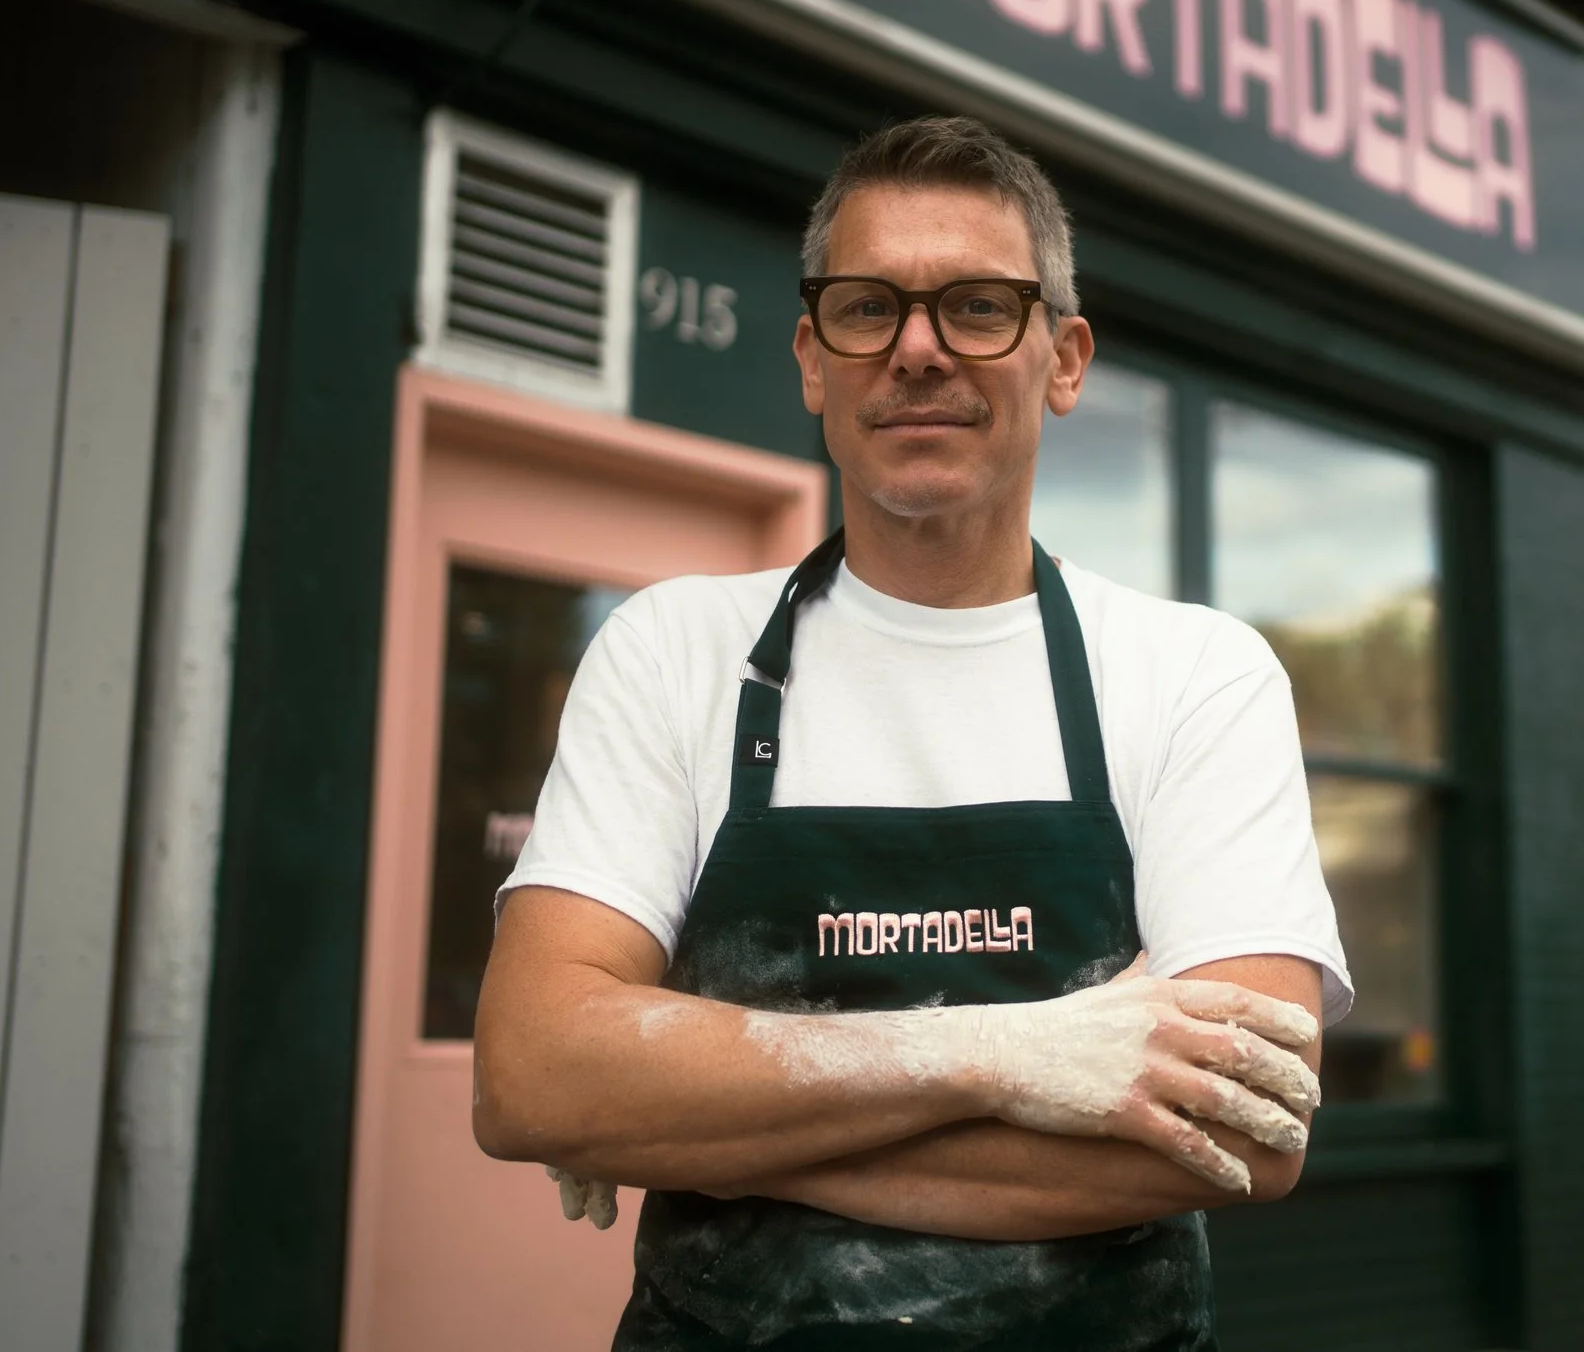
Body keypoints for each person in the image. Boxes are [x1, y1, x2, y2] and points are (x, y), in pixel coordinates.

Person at [475, 115, 1352, 1350]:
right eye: (867, 306)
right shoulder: (673, 650)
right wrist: (1013, 1053)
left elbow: (1246, 1130)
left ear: (1063, 357)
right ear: (811, 357)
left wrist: (710, 1129)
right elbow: (529, 1074)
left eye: (980, 306)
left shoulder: (1194, 674)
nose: (919, 349)